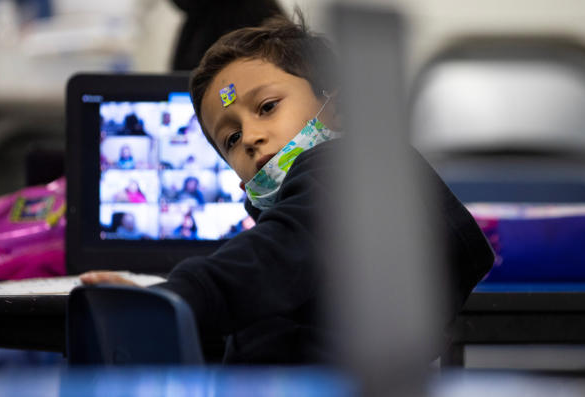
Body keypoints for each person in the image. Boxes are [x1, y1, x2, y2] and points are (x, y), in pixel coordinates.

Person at [81, 15, 494, 364]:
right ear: (237, 179)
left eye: (266, 107)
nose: (250, 138)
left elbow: (277, 254)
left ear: (336, 107)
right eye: (230, 138)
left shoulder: (342, 174)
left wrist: (174, 299)